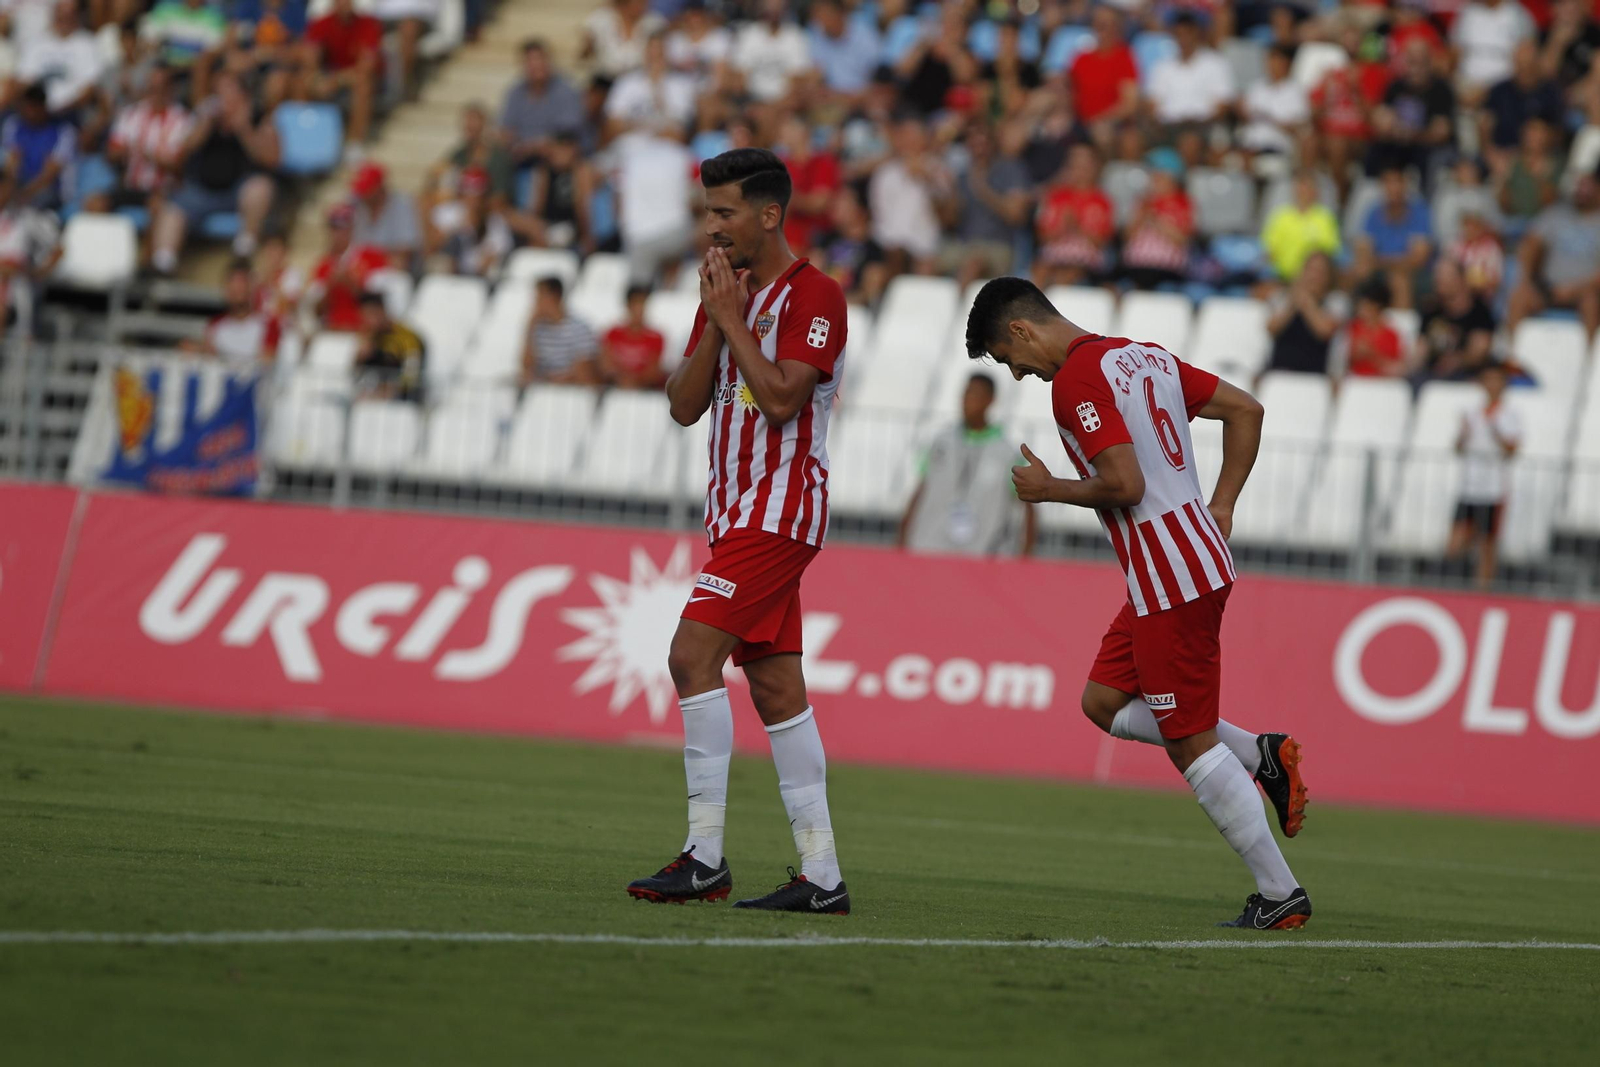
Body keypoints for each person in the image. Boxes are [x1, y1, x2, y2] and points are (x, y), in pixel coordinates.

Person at [963, 276, 1311, 930]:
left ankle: (1279, 892)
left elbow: (1125, 484)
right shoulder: (1141, 355)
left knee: (1188, 742)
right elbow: (1247, 410)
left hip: (1171, 578)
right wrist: (1222, 504)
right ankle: (1259, 753)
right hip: (1176, 569)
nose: (1018, 375)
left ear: (1021, 330)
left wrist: (1050, 489)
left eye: (1011, 361)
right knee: (1102, 701)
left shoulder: (1075, 380)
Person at [630, 147, 852, 914]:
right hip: (734, 516)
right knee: (777, 688)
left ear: (768, 214)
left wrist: (730, 319)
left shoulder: (816, 295)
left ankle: (704, 856)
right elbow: (684, 404)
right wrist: (717, 320)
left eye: (724, 213)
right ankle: (822, 875)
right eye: (707, 213)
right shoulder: (726, 291)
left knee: (691, 656)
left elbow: (784, 399)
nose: (711, 228)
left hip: (780, 510)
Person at [150, 72, 278, 273]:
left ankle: (244, 249)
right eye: (218, 92)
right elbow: (184, 151)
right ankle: (163, 264)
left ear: (243, 95)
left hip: (238, 192)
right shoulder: (205, 119)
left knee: (261, 188)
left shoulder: (258, 117)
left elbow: (271, 158)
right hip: (202, 191)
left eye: (228, 91)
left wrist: (243, 129)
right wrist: (205, 125)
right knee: (172, 208)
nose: (222, 97)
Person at [899, 373, 1036, 557]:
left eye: (975, 395)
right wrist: (902, 538)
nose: (967, 401)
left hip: (982, 556)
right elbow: (921, 489)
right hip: (929, 549)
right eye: (965, 394)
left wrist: (1025, 555)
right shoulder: (941, 442)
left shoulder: (1007, 453)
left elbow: (1028, 505)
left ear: (990, 400)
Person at [1448, 361, 1521, 588]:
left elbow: (1512, 450)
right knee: (1455, 541)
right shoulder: (1471, 413)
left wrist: (1495, 431)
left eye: (1496, 380)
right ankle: (1454, 586)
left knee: (1488, 543)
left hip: (1493, 488)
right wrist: (1463, 434)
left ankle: (1483, 590)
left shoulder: (1510, 414)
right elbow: (1457, 448)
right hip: (1469, 485)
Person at [938, 121, 1031, 290]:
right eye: (973, 142)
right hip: (964, 244)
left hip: (997, 246)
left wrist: (984, 190)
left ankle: (960, 307)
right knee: (927, 264)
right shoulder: (961, 176)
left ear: (992, 143)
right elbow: (950, 221)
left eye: (982, 142)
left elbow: (1016, 216)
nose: (978, 148)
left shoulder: (1011, 170)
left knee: (973, 265)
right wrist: (948, 194)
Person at [1507, 173, 1600, 337]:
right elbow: (1530, 245)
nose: (1582, 191)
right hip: (1549, 288)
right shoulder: (1556, 214)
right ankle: (1513, 350)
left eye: (1588, 187)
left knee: (1591, 302)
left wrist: (1575, 289)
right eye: (1580, 186)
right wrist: (1527, 280)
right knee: (1519, 298)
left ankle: (1590, 351)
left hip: (1586, 291)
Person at [302, 0, 381, 149]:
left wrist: (336, 80)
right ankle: (305, 139)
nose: (344, 4)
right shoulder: (323, 23)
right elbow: (310, 56)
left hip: (352, 78)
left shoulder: (367, 25)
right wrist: (317, 79)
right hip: (330, 77)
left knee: (363, 85)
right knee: (301, 83)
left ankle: (355, 144)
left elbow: (367, 67)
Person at [1034, 141, 1113, 286]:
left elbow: (1101, 242)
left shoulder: (1102, 201)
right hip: (1054, 257)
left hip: (1085, 261)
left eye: (1085, 165)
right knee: (1039, 272)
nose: (1080, 170)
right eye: (1075, 164)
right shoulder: (1056, 197)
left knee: (1067, 275)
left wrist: (1077, 226)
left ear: (1095, 167)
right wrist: (1063, 226)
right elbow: (1043, 237)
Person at [500, 39, 585, 172]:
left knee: (561, 153)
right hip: (521, 152)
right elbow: (506, 128)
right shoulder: (515, 92)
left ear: (549, 61)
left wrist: (536, 146)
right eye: (530, 61)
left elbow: (567, 131)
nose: (536, 65)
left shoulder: (566, 90)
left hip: (553, 150)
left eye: (540, 59)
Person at [1353, 166, 1432, 309]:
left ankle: (1402, 322)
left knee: (1398, 279)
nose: (1394, 188)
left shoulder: (1419, 211)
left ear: (1405, 185)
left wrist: (1381, 261)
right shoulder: (1373, 212)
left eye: (1398, 182)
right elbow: (1363, 250)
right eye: (1388, 182)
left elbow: (1418, 259)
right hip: (1381, 269)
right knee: (1358, 271)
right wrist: (1389, 262)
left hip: (1411, 273)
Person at [1145, 12, 1235, 129]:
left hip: (1205, 126)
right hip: (1169, 127)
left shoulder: (1216, 64)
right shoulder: (1162, 67)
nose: (1183, 40)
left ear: (1197, 34)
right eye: (1179, 35)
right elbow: (1152, 105)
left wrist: (1199, 124)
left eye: (1187, 34)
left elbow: (1223, 104)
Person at [307, 203, 388, 331]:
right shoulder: (323, 266)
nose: (338, 234)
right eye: (334, 228)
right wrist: (330, 286)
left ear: (353, 228)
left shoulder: (372, 257)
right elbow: (316, 311)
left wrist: (351, 284)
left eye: (344, 227)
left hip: (364, 332)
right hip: (333, 330)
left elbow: (380, 302)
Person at [186, 259, 279, 366]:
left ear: (251, 288)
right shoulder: (216, 325)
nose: (237, 290)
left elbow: (267, 362)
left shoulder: (268, 325)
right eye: (232, 284)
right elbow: (208, 355)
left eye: (241, 284)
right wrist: (197, 350)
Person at [1416, 259, 1497, 381]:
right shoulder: (1431, 311)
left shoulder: (1480, 312)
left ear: (1461, 279)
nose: (1439, 280)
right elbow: (1421, 349)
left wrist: (1459, 361)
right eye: (1438, 275)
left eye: (1445, 275)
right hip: (1432, 375)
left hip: (1468, 375)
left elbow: (1480, 350)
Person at [1265, 251, 1343, 375]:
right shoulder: (1282, 296)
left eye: (1320, 272)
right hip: (1279, 372)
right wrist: (1292, 303)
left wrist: (1308, 303)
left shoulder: (1335, 301)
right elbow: (1271, 329)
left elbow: (1325, 331)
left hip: (1316, 375)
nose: (1314, 276)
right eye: (1311, 270)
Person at [0, 83, 74, 211]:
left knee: (38, 197)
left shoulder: (62, 131)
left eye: (33, 108)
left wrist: (25, 194)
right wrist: (10, 189)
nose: (29, 112)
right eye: (26, 107)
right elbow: (11, 165)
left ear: (42, 107)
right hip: (19, 185)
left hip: (50, 190)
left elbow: (50, 174)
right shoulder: (14, 125)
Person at [519, 275, 599, 385]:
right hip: (544, 384)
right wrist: (530, 328)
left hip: (569, 387)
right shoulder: (538, 328)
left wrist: (552, 379)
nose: (536, 302)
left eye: (540, 296)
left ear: (554, 297)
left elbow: (585, 370)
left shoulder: (579, 328)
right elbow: (527, 366)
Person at [1261, 169, 1339, 280]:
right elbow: (1269, 250)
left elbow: (1329, 251)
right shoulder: (1281, 217)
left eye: (1309, 187)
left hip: (1313, 280)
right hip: (1283, 277)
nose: (1304, 191)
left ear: (1315, 191)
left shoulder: (1325, 218)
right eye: (1301, 186)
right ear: (1295, 189)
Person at [353, 291, 426, 402]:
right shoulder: (370, 337)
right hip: (376, 397)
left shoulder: (407, 338)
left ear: (382, 311)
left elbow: (411, 376)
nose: (368, 321)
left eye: (371, 315)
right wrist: (361, 358)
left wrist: (390, 391)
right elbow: (355, 376)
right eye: (365, 316)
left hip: (404, 399)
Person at [348, 161, 421, 270]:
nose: (363, 195)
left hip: (397, 270)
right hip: (364, 268)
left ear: (379, 188)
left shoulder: (401, 204)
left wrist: (374, 260)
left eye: (367, 190)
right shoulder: (358, 204)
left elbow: (404, 253)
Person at [600, 284, 666, 389]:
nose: (639, 309)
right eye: (636, 303)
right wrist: (622, 380)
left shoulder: (656, 337)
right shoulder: (612, 334)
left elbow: (653, 372)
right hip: (615, 388)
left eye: (642, 303)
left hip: (643, 390)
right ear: (628, 306)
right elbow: (606, 366)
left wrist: (633, 381)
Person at [1345, 279, 1405, 377]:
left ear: (1377, 305)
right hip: (1354, 381)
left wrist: (1371, 354)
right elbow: (1340, 361)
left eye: (1365, 304)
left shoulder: (1391, 335)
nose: (1360, 309)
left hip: (1382, 383)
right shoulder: (1351, 329)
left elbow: (1397, 369)